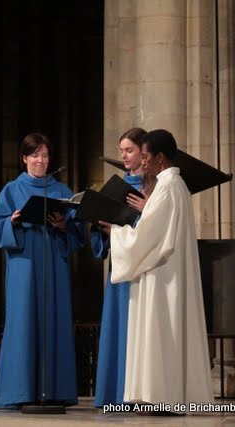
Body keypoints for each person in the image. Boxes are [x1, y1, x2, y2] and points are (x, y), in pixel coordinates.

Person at [100, 129, 213, 411]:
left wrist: (116, 231)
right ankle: (164, 395)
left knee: (161, 329)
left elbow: (147, 236)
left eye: (147, 156)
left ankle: (162, 396)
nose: (144, 162)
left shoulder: (168, 186)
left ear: (160, 158)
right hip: (165, 272)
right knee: (164, 332)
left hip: (163, 277)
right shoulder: (175, 185)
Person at [0, 132, 86, 409]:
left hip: (54, 264)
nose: (40, 160)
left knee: (54, 320)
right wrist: (14, 221)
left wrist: (64, 227)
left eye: (44, 155)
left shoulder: (63, 192)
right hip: (24, 266)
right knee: (23, 323)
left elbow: (78, 234)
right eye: (35, 155)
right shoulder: (11, 190)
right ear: (24, 158)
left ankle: (55, 391)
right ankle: (19, 392)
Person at [91, 127, 148, 408]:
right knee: (118, 326)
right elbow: (101, 228)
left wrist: (146, 210)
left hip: (142, 269)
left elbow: (157, 227)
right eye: (122, 150)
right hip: (119, 266)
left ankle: (138, 393)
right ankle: (115, 393)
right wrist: (102, 228)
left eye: (129, 150)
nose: (124, 156)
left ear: (143, 152)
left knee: (138, 328)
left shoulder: (154, 187)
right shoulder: (117, 186)